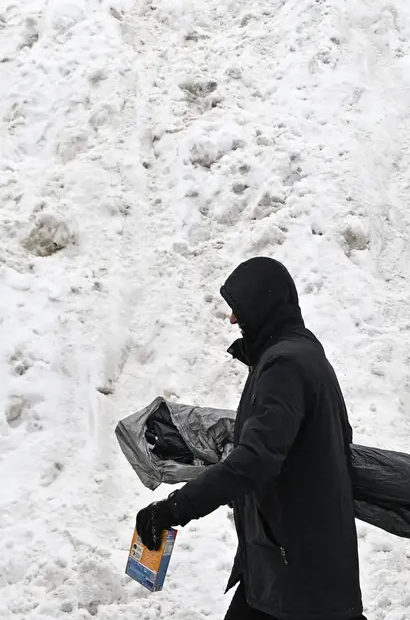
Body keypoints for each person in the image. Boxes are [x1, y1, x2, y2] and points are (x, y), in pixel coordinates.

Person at [134, 258, 364, 620]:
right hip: (286, 565)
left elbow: (255, 460)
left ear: (262, 306)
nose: (232, 320)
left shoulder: (284, 366)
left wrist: (173, 509)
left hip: (298, 574)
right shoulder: (300, 355)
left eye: (238, 309)